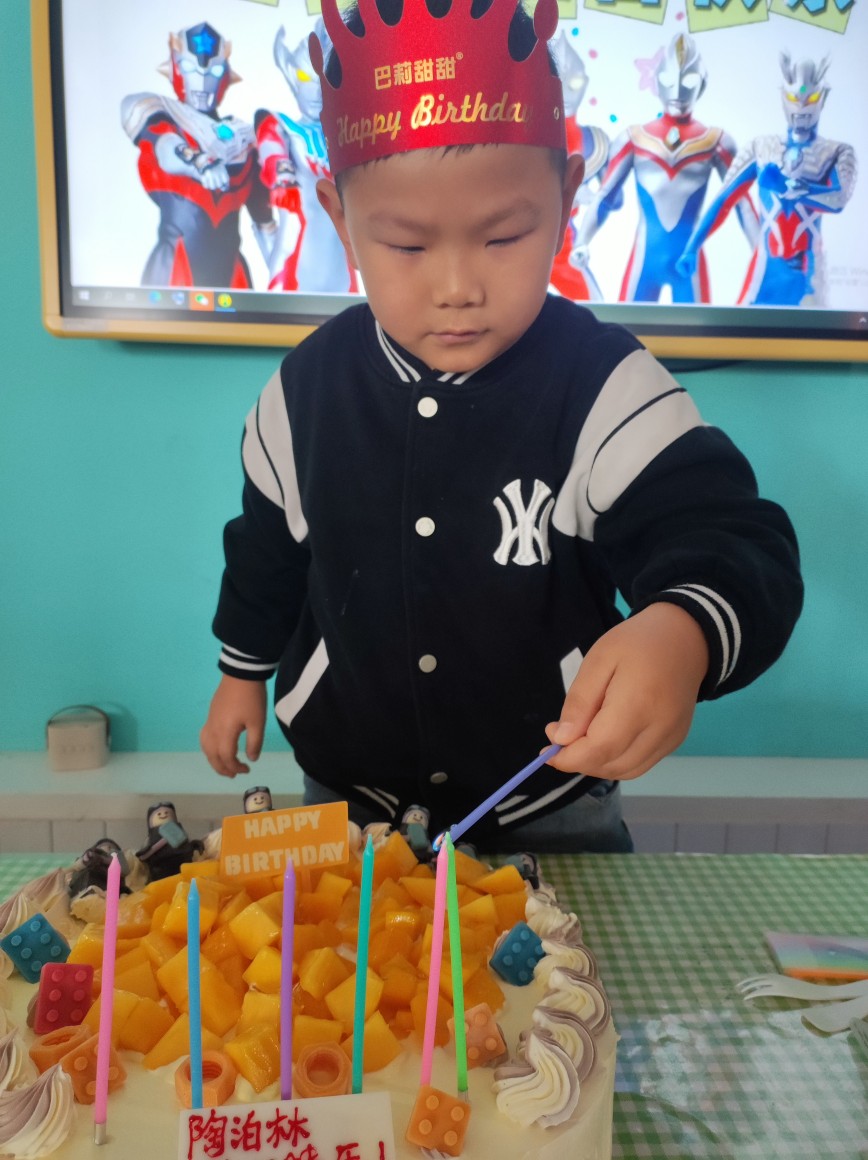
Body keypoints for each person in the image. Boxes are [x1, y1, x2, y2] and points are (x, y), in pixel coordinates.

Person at [200, 0, 803, 854]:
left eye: (505, 236)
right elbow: (265, 553)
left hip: (548, 803)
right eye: (408, 246)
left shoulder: (603, 385)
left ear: (568, 195)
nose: (458, 288)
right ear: (339, 219)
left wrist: (685, 629)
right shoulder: (302, 392)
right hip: (350, 795)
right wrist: (241, 677)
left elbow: (730, 535)